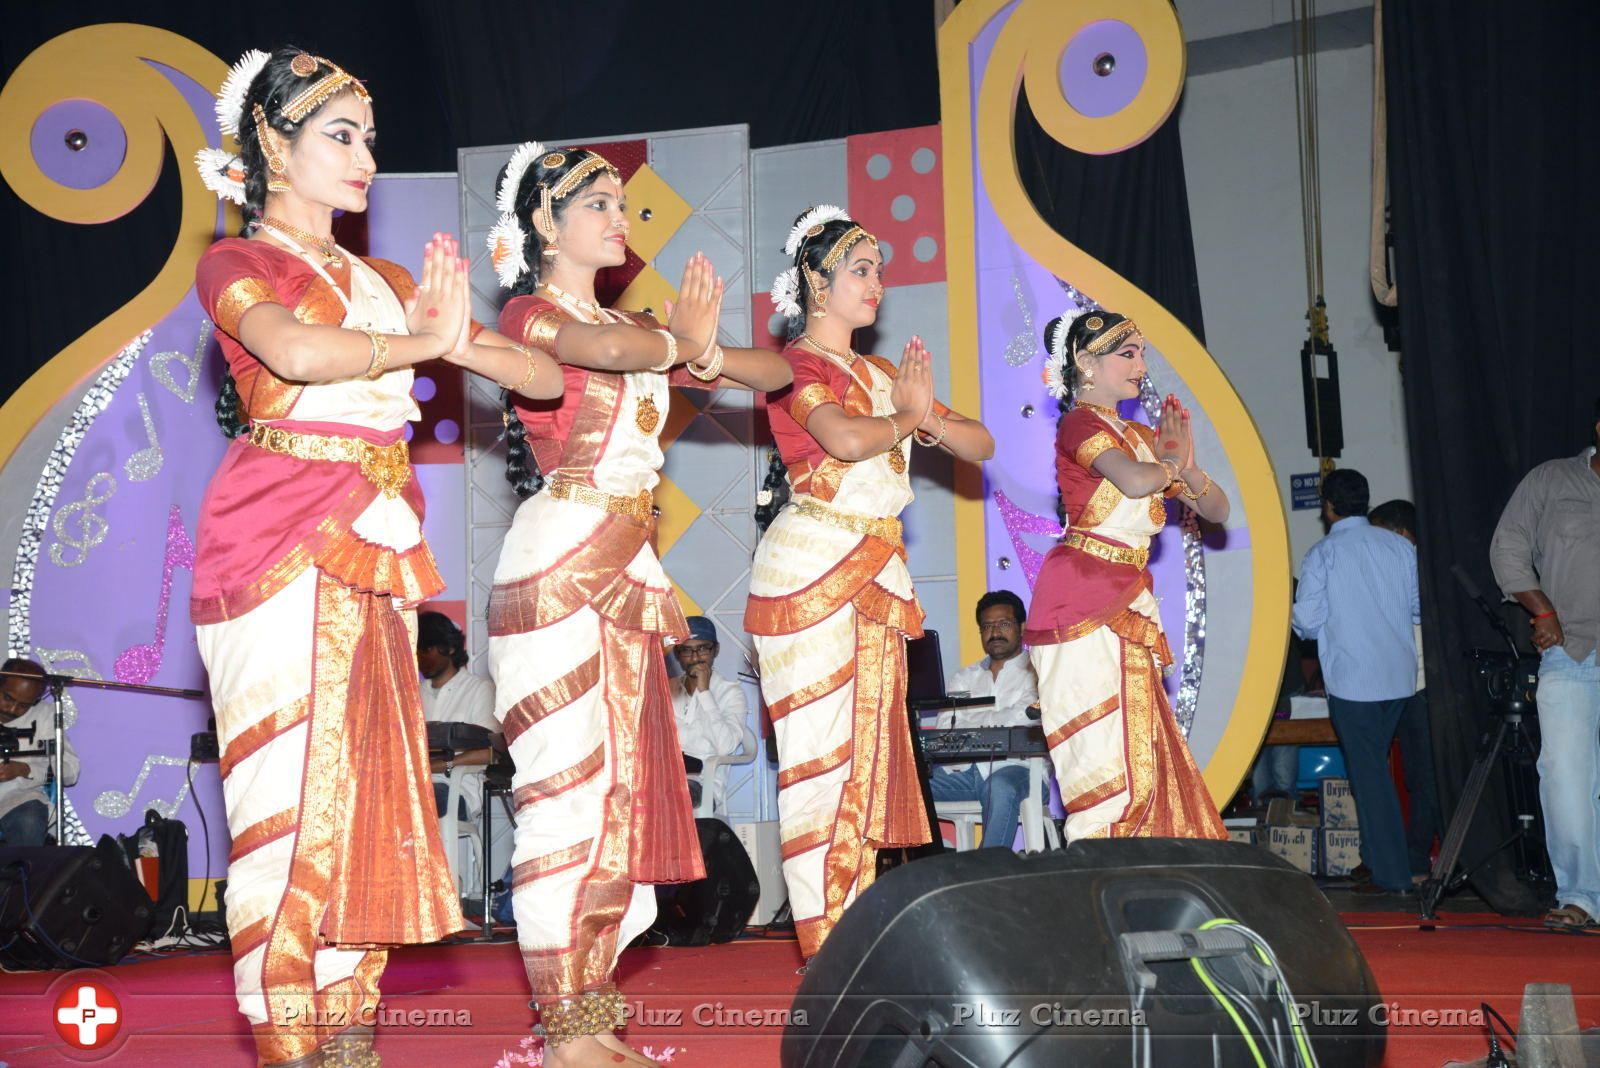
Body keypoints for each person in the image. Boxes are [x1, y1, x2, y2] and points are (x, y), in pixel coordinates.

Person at [190, 48, 562, 1067]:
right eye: (340, 136)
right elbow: (300, 356)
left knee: (360, 806)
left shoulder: (385, 280)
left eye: (369, 139)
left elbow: (532, 377)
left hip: (375, 545)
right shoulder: (237, 264)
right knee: (285, 816)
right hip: (270, 544)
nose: (365, 158)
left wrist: (467, 340)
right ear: (272, 142)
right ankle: (290, 1049)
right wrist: (420, 345)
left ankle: (349, 1044)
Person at [485, 141, 791, 1064]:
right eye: (599, 201)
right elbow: (605, 348)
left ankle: (586, 1014)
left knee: (615, 801)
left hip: (623, 573)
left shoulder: (643, 326)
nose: (622, 216)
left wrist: (697, 346)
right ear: (544, 221)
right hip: (561, 559)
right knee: (561, 798)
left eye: (624, 200)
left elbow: (772, 376)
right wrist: (682, 342)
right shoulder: (530, 311)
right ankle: (564, 1019)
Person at [747, 206, 994, 960]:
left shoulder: (882, 375)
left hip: (876, 574)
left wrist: (926, 420)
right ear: (816, 283)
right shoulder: (799, 365)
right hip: (811, 571)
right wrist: (907, 420)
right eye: (860, 268)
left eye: (881, 269)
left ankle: (849, 938)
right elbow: (845, 440)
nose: (877, 283)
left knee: (861, 765)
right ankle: (827, 948)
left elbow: (979, 443)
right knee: (820, 765)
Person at [1025, 309, 1228, 842]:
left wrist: (1186, 470)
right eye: (1127, 353)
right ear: (1086, 364)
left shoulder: (1140, 434)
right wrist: (1169, 469)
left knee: (1141, 751)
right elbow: (1136, 483)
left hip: (1126, 596)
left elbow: (1218, 511)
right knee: (1099, 758)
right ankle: (1092, 880)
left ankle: (1137, 879)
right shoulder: (1080, 424)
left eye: (1141, 351)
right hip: (1080, 602)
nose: (1142, 363)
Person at [1489, 399, 1600, 929]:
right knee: (1566, 778)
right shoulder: (1552, 480)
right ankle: (1581, 896)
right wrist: (1543, 610)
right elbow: (1508, 547)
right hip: (1573, 651)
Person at [1291, 469, 1420, 895]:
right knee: (1377, 771)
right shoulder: (1401, 547)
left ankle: (1394, 874)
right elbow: (1420, 609)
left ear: (1327, 507)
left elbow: (1307, 624)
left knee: (1370, 777)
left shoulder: (1323, 554)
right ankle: (1378, 861)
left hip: (1354, 681)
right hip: (1400, 677)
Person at [928, 591, 1040, 850]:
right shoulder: (964, 677)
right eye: (987, 626)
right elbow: (945, 729)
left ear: (1021, 627)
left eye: (1003, 624)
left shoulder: (1038, 671)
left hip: (1021, 772)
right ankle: (930, 865)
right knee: (909, 786)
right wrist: (1001, 720)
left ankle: (988, 874)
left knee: (999, 786)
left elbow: (1027, 721)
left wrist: (972, 720)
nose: (995, 632)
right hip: (964, 774)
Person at [1368, 498, 1442, 881]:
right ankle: (1402, 857)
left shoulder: (1416, 569)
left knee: (1423, 776)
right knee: (1414, 776)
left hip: (1421, 685)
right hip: (1400, 684)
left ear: (1400, 533)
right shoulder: (1398, 566)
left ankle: (1417, 859)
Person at [417, 611, 500, 817]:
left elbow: (493, 752)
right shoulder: (411, 694)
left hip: (457, 789)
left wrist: (444, 765)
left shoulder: (480, 690)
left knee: (420, 801)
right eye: (416, 649)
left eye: (427, 648)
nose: (421, 656)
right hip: (413, 786)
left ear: (450, 647)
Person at [668, 615, 749, 813]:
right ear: (677, 654)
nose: (695, 657)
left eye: (703, 648)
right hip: (665, 776)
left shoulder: (730, 693)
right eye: (687, 650)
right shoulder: (666, 689)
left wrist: (705, 693)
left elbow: (725, 746)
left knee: (678, 793)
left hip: (703, 784)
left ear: (716, 650)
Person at [0, 660, 78, 847]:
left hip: (15, 799)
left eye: (24, 705)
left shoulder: (45, 715)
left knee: (29, 819)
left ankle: (25, 876)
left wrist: (25, 769)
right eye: (8, 699)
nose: (12, 710)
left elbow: (70, 772)